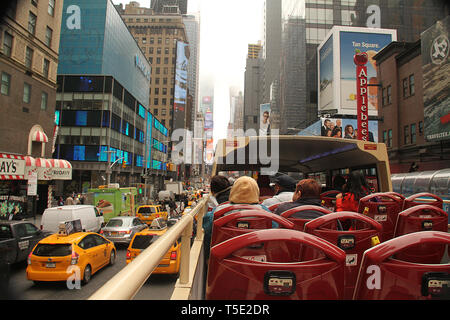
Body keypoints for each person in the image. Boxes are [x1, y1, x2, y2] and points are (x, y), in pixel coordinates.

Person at [202, 176, 273, 260]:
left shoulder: (219, 211)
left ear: (233, 191)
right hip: (257, 260)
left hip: (224, 259)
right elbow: (273, 230)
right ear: (256, 192)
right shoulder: (264, 212)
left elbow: (207, 228)